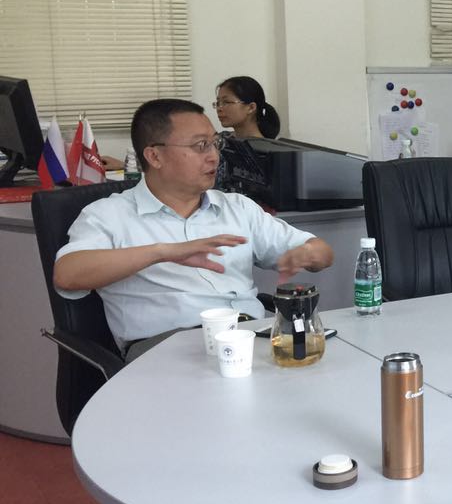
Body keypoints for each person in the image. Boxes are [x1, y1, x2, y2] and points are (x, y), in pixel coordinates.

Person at [53, 99, 334, 358]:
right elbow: (67, 274)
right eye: (200, 146)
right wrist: (163, 252)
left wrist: (308, 253)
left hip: (248, 338)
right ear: (155, 156)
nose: (214, 157)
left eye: (215, 144)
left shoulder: (237, 207)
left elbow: (322, 252)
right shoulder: (109, 214)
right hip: (167, 349)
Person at [214, 76, 280, 140]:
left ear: (251, 108)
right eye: (218, 103)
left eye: (226, 102)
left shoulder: (262, 147)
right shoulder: (222, 140)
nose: (219, 109)